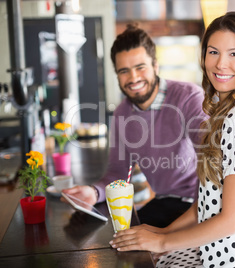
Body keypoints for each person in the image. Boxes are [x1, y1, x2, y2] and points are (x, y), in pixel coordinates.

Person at [110, 11, 235, 267]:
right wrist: (162, 233)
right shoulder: (224, 115)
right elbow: (206, 204)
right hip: (217, 250)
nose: (220, 64)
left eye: (234, 53)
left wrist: (161, 243)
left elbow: (233, 220)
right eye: (213, 52)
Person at [62, 24, 207, 228]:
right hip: (164, 202)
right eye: (124, 71)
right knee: (120, 243)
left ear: (155, 66)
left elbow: (212, 154)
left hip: (201, 203)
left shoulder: (188, 97)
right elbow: (118, 173)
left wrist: (169, 236)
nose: (133, 78)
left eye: (140, 67)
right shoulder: (122, 114)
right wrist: (93, 192)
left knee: (146, 248)